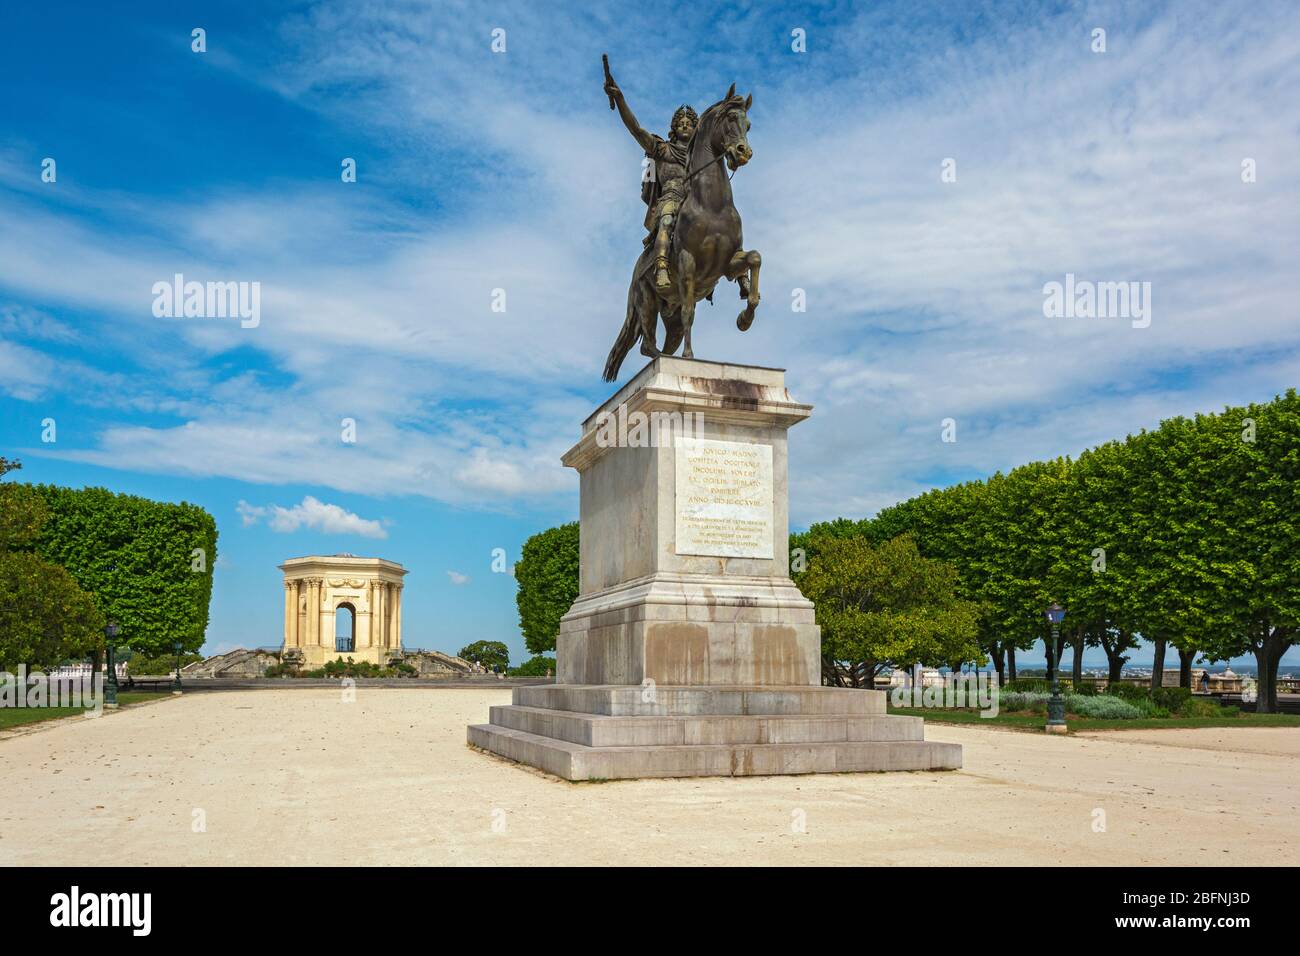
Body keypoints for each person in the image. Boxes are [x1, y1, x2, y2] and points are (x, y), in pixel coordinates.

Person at [604, 68, 697, 293]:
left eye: (689, 123)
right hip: (671, 197)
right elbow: (636, 129)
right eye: (680, 123)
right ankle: (662, 266)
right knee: (667, 219)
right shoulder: (661, 149)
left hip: (695, 201)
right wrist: (620, 99)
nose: (685, 125)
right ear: (674, 128)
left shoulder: (699, 156)